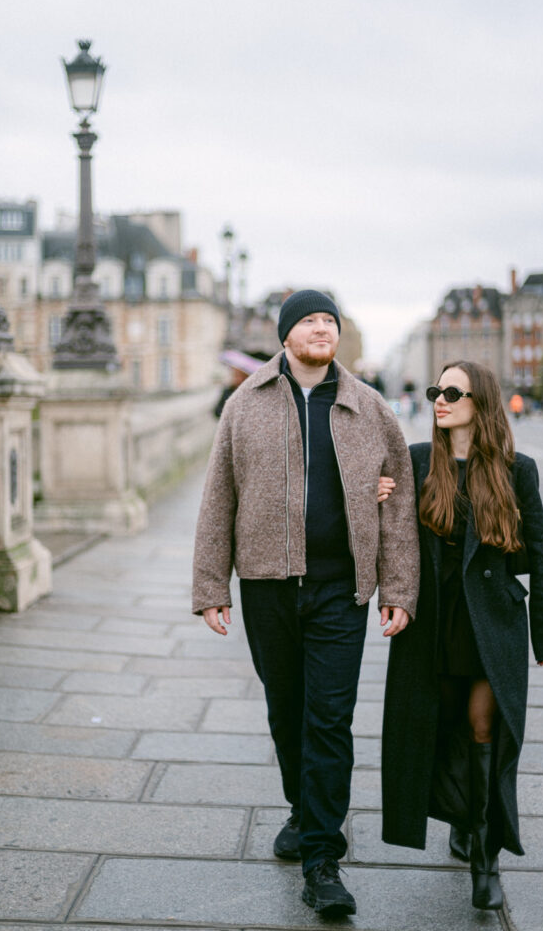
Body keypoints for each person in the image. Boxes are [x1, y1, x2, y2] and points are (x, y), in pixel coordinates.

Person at [192, 289, 420, 918]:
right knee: (286, 711)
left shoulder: (368, 406)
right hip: (266, 585)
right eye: (310, 320)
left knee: (328, 718)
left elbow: (397, 501)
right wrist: (211, 586)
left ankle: (322, 857)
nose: (323, 329)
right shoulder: (246, 404)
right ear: (286, 334)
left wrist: (397, 589)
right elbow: (219, 498)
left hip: (339, 589)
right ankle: (304, 807)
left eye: (331, 321)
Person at [380, 359, 543, 911]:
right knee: (444, 727)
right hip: (434, 624)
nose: (439, 399)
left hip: (493, 624)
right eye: (437, 389)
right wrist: (378, 499)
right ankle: (462, 818)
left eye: (452, 392)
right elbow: (392, 538)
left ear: (480, 402)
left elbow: (542, 554)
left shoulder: (516, 468)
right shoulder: (416, 462)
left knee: (486, 728)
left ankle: (486, 859)